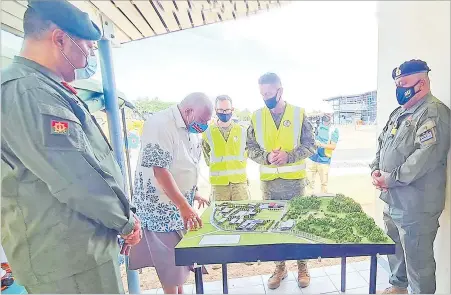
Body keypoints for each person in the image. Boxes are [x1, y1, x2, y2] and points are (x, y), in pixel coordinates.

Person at [1, 0, 142, 293]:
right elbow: (76, 179)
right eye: (87, 45)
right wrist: (125, 221)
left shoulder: (43, 86)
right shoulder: (30, 92)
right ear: (60, 38)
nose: (91, 52)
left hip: (77, 251)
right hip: (67, 260)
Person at [370, 60, 450, 294]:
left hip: (417, 205)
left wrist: (391, 178)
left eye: (403, 83)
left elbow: (425, 157)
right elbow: (383, 143)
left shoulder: (433, 112)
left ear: (422, 82)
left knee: (418, 262)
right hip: (393, 198)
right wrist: (375, 168)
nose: (399, 88)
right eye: (397, 83)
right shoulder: (400, 113)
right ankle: (398, 287)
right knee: (396, 250)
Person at [129, 93, 212, 294]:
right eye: (203, 120)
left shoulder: (191, 128)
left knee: (179, 266)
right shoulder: (160, 124)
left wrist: (194, 194)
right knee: (169, 267)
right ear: (189, 111)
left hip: (178, 207)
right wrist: (184, 205)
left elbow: (186, 165)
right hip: (160, 209)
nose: (204, 125)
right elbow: (160, 171)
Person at [247, 72, 316, 289]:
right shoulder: (256, 116)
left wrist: (289, 156)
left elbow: (311, 145)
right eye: (262, 94)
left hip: (295, 184)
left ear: (280, 91)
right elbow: (249, 148)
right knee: (275, 227)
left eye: (269, 93)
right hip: (269, 185)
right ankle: (280, 267)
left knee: (299, 226)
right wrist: (266, 157)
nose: (265, 97)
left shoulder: (298, 114)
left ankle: (303, 267)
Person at [201, 95, 251, 270]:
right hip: (219, 184)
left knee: (244, 218)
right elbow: (207, 156)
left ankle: (245, 253)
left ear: (232, 110)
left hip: (239, 183)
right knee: (220, 220)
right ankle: (220, 257)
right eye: (221, 110)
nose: (224, 113)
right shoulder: (207, 133)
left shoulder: (243, 131)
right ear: (216, 111)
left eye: (227, 110)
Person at [307, 113, 339, 194]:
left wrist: (321, 144)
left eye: (328, 114)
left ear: (331, 116)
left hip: (324, 160)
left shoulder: (333, 130)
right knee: (309, 184)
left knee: (324, 184)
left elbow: (333, 146)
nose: (326, 116)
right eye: (325, 113)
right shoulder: (316, 126)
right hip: (312, 158)